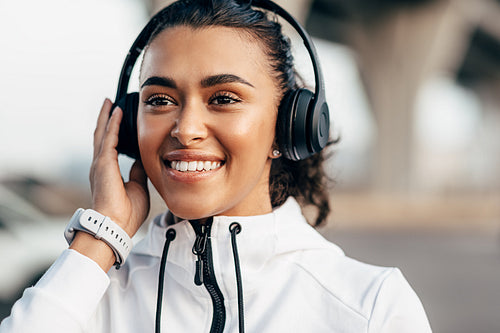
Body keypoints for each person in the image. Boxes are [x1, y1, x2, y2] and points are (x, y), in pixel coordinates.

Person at [0, 0, 432, 332]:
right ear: (129, 126)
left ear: (287, 128)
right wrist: (102, 234)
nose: (185, 129)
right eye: (160, 100)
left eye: (223, 98)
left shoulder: (369, 307)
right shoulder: (88, 294)